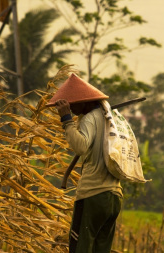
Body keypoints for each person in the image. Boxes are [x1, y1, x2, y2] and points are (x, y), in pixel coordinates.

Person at [47, 73, 122, 253]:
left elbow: (81, 147)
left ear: (85, 101)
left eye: (73, 104)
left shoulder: (89, 118)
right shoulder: (110, 119)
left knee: (80, 247)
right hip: (114, 197)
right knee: (100, 249)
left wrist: (66, 120)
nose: (71, 108)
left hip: (93, 195)